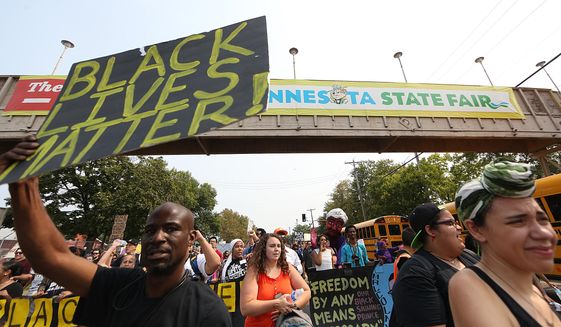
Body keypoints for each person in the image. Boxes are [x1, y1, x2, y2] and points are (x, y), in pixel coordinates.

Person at [5, 135, 231, 327]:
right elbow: (50, 257)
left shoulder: (208, 310)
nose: (158, 237)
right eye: (150, 230)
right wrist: (23, 185)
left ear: (191, 238)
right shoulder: (117, 284)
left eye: (171, 229)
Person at [449, 161, 561, 326]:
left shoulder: (529, 285)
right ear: (476, 229)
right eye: (518, 222)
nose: (544, 233)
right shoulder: (469, 285)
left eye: (542, 219)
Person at [391, 203, 479, 327]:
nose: (459, 227)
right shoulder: (415, 274)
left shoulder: (470, 256)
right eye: (450, 223)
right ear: (430, 230)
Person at [240, 233, 311, 327]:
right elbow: (246, 308)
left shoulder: (287, 268)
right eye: (272, 246)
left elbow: (306, 291)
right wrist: (277, 304)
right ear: (263, 249)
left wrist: (290, 308)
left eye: (279, 246)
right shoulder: (254, 271)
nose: (276, 249)